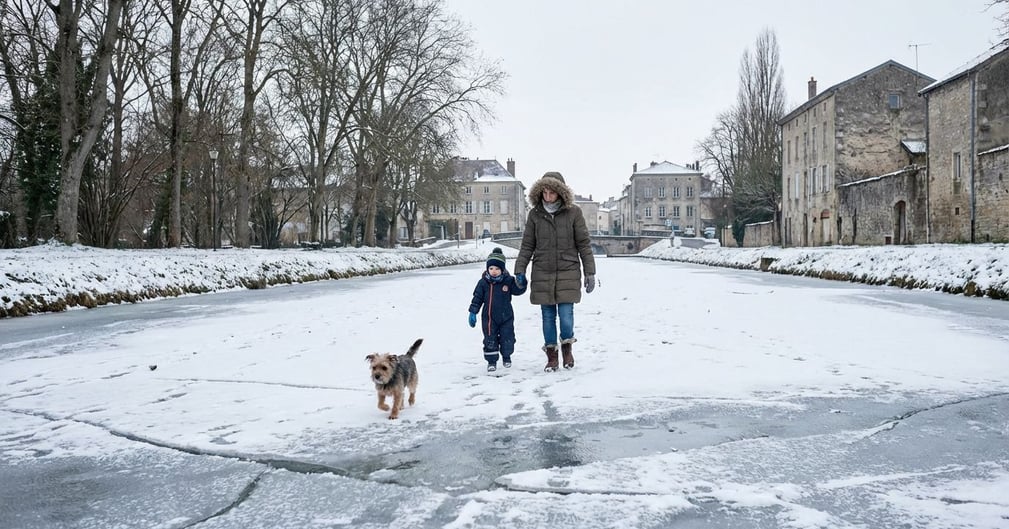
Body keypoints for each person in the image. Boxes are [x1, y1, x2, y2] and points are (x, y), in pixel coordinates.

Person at [513, 171, 596, 372]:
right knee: (548, 316)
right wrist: (520, 270)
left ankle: (567, 349)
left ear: (560, 193)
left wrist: (590, 272)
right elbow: (527, 245)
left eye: (552, 192)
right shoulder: (535, 215)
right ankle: (552, 356)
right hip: (543, 271)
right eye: (545, 192)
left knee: (566, 316)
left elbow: (584, 244)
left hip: (568, 270)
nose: (547, 196)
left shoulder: (574, 213)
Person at [468, 247, 527, 372]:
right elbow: (477, 298)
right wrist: (473, 312)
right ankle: (492, 361)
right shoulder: (483, 283)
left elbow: (518, 291)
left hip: (506, 317)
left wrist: (521, 283)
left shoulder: (508, 281)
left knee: (508, 338)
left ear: (502, 269)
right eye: (491, 268)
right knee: (490, 339)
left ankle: (506, 357)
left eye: (497, 269)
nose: (494, 271)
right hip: (489, 318)